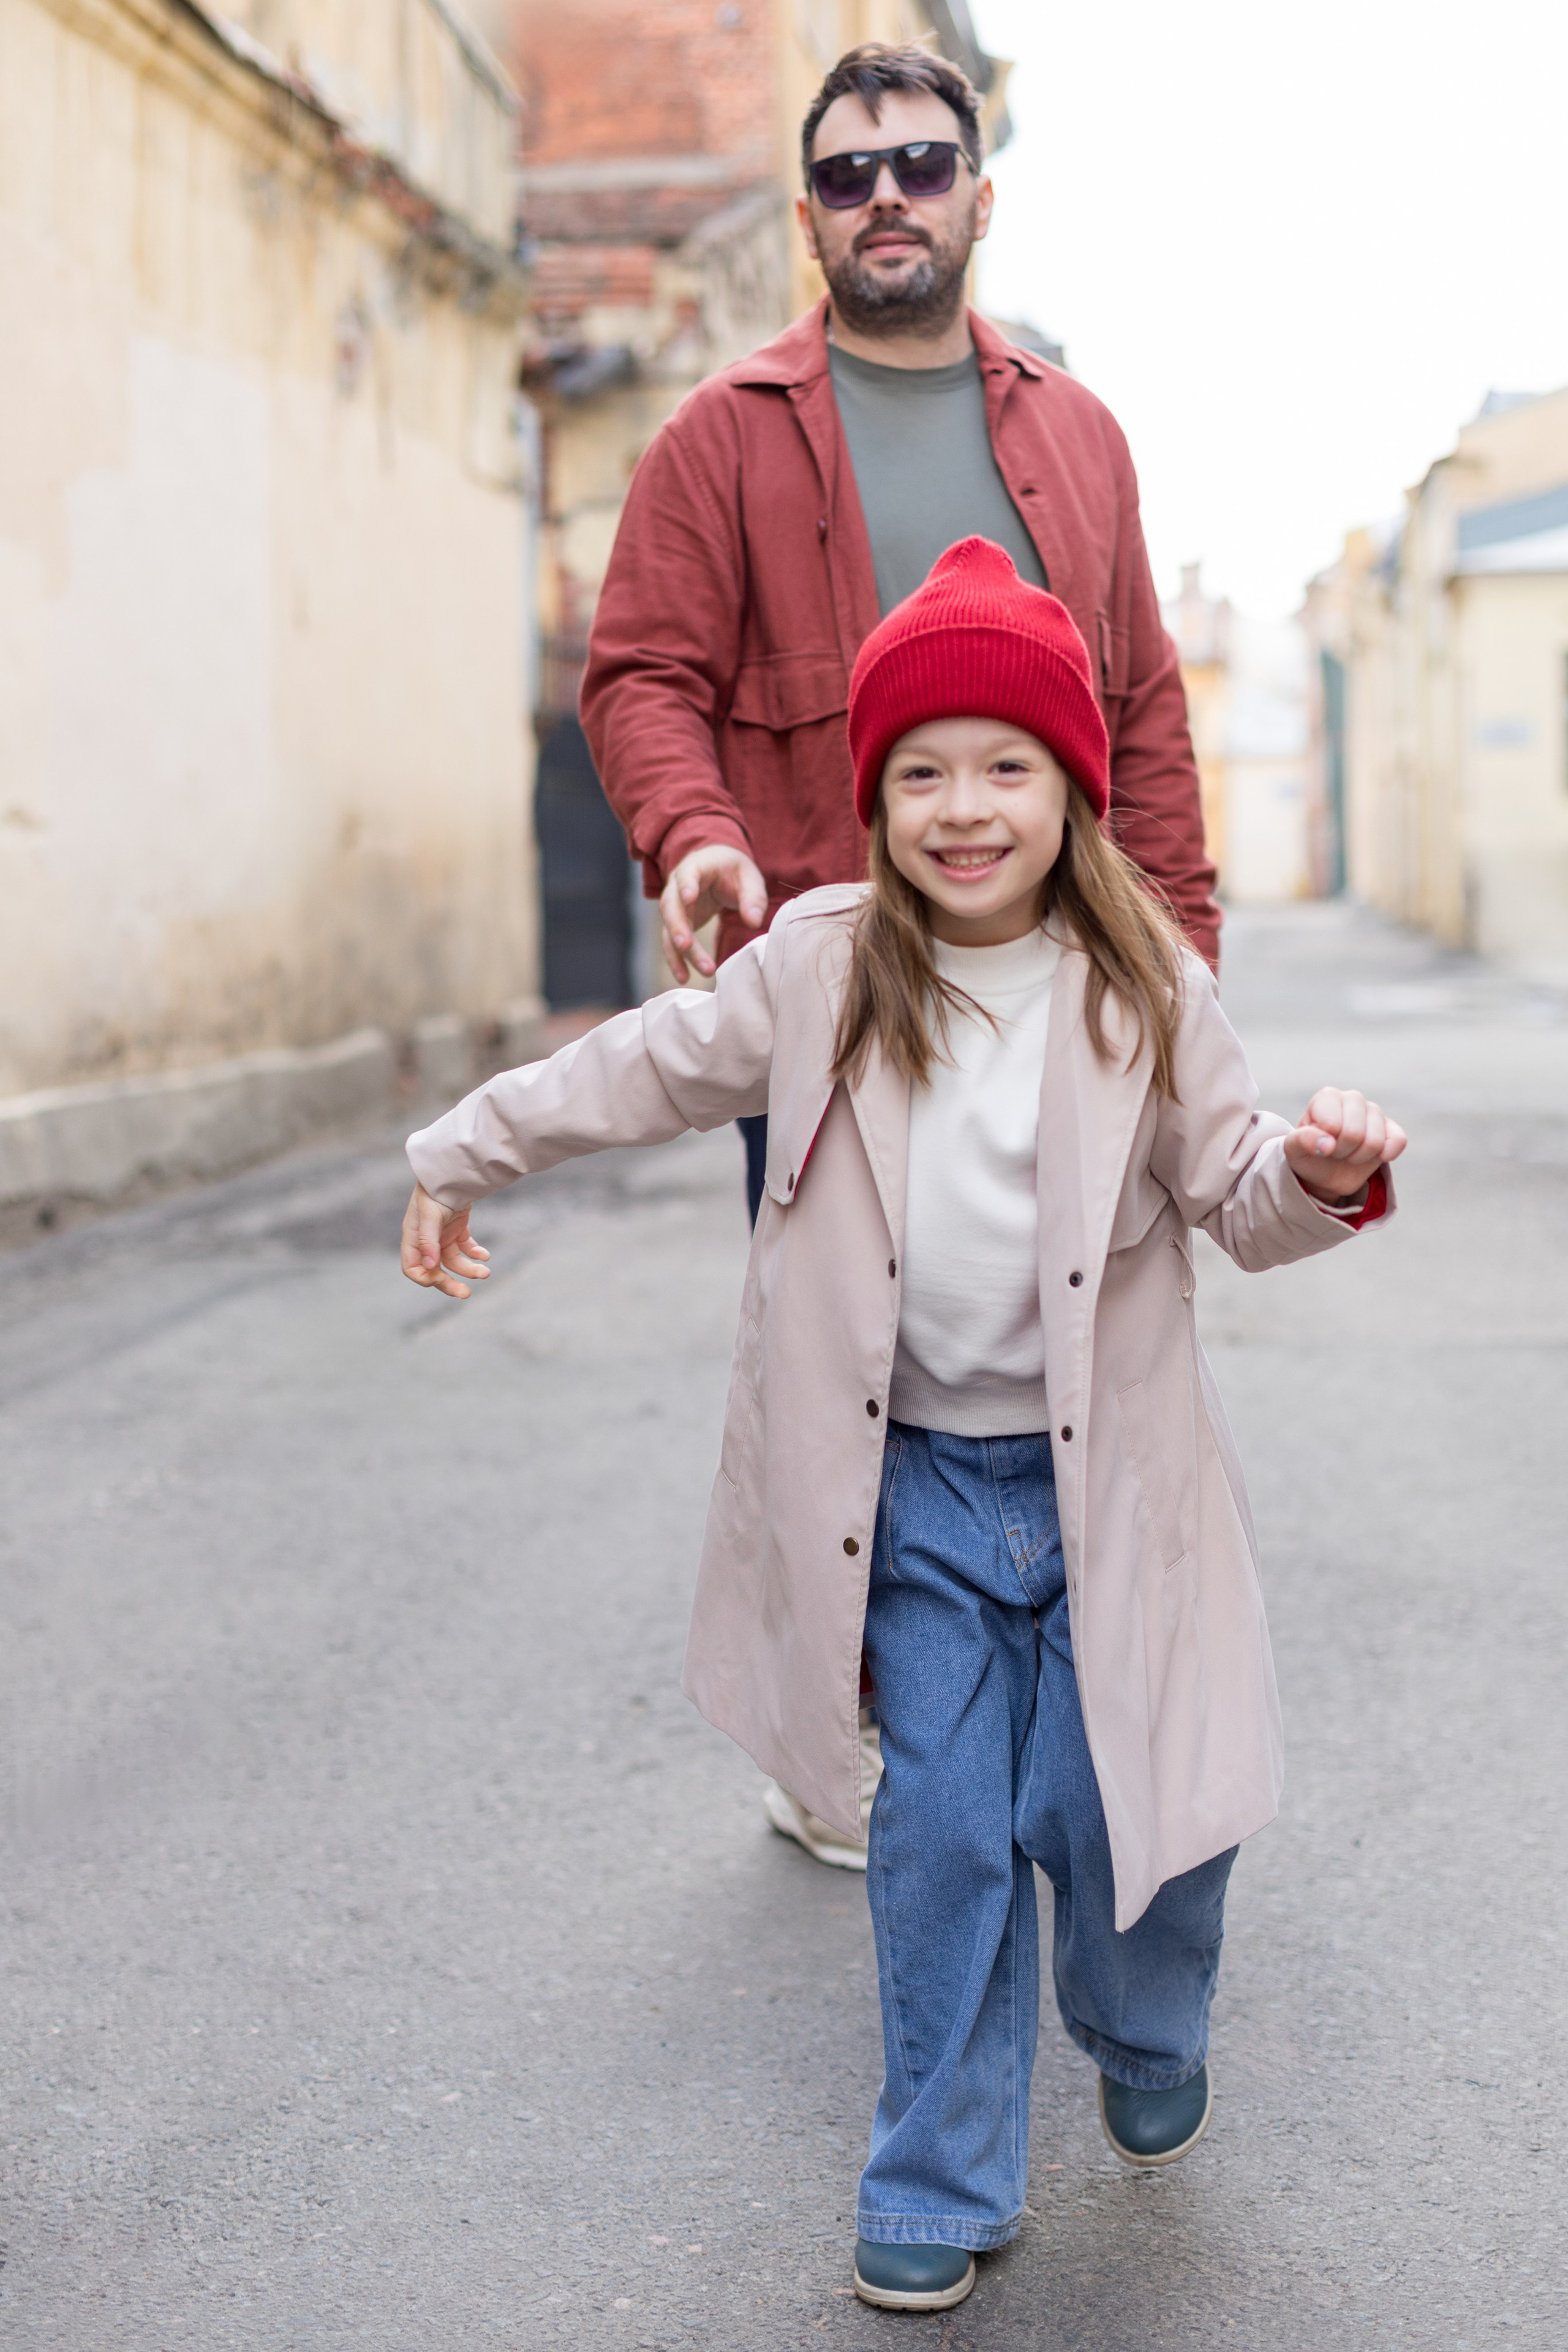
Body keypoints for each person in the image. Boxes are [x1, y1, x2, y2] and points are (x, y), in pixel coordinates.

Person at [402, 541, 1404, 2313]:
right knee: (941, 1832)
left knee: (1134, 1817)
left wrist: (1322, 1177)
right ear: (874, 798)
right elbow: (636, 1066)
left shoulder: (1145, 984)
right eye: (920, 771)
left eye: (1006, 766)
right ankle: (937, 2177)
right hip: (917, 1494)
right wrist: (461, 1147)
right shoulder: (820, 970)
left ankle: (1142, 2018)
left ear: (1070, 793)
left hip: (1114, 1496)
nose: (963, 809)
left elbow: (1239, 1194)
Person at [582, 38, 1222, 1868]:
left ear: (979, 195)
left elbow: (1143, 703)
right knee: (848, 1369)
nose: (888, 201)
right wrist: (699, 839)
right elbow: (643, 673)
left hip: (1072, 986)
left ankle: (1094, 1705)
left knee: (1085, 1355)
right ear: (809, 216)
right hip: (839, 997)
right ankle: (835, 1730)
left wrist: (1177, 958)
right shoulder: (722, 435)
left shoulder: (1077, 434)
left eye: (921, 166)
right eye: (851, 175)